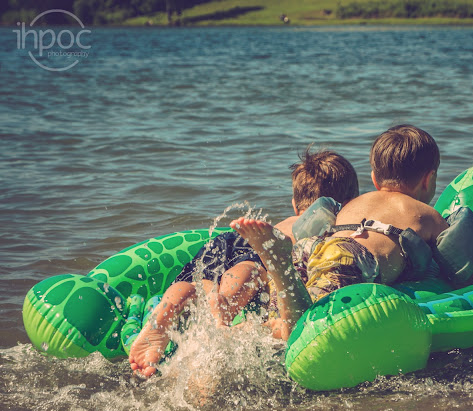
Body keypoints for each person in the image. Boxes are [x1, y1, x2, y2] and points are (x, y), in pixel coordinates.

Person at [129, 148, 359, 377]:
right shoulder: (326, 223)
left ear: (294, 204)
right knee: (251, 270)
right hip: (261, 244)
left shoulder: (281, 222)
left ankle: (165, 312)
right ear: (347, 204)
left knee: (196, 282)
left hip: (228, 238)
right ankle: (224, 305)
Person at [231, 124, 449, 340]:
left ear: (374, 179)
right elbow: (454, 263)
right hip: (349, 258)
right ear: (428, 179)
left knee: (285, 313)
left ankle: (261, 319)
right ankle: (281, 266)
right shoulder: (427, 215)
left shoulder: (357, 202)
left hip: (313, 246)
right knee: (309, 324)